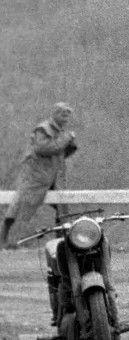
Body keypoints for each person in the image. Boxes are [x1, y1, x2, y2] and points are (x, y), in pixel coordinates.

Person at [3, 103, 76, 249]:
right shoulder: (43, 129)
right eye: (63, 115)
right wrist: (65, 139)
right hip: (36, 176)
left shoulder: (61, 132)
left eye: (68, 116)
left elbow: (59, 153)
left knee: (62, 209)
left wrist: (70, 145)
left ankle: (62, 243)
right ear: (55, 114)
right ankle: (4, 237)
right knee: (19, 205)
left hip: (54, 177)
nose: (66, 119)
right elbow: (43, 148)